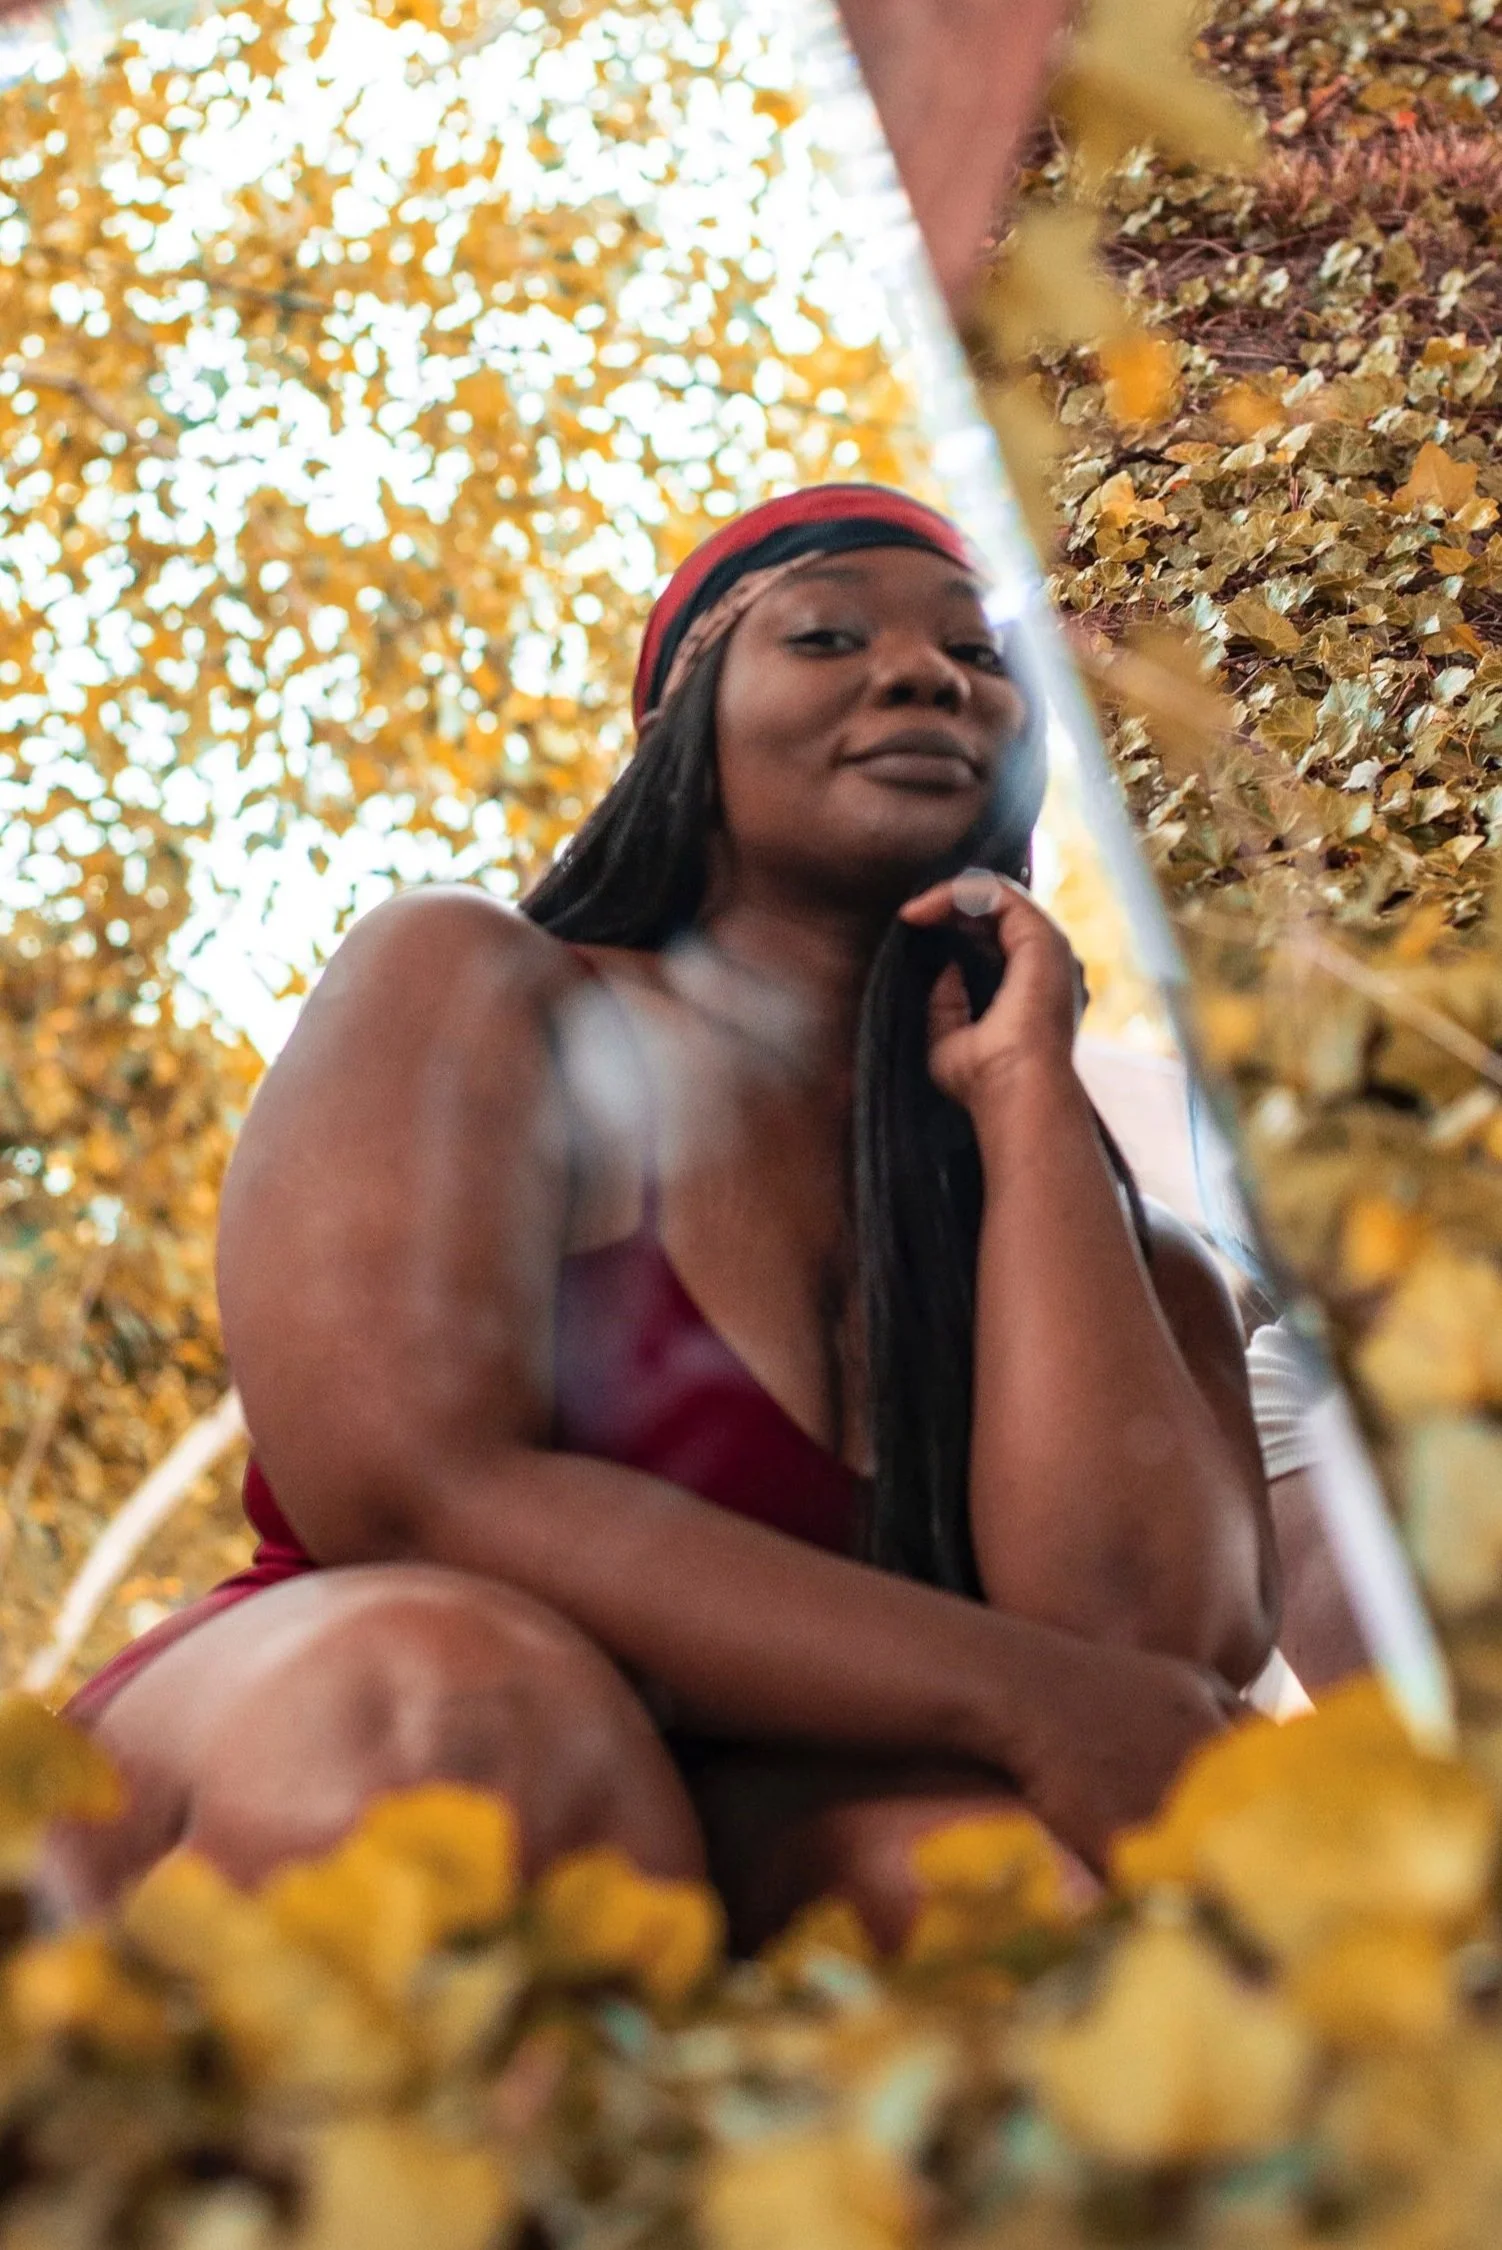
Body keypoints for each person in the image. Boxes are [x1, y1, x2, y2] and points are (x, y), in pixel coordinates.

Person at [52, 486, 1277, 1951]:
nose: (926, 674)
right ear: (677, 723)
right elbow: (403, 1489)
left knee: (1063, 1907)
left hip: (754, 1819)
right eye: (827, 636)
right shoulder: (477, 985)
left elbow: (1139, 1681)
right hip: (350, 1721)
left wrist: (1024, 1104)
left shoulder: (1125, 1252)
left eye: (979, 654)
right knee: (463, 1714)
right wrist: (1011, 1696)